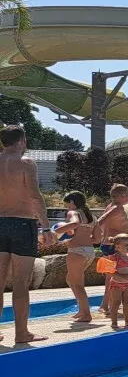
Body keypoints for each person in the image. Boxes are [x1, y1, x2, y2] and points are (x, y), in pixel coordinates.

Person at [0, 125, 53, 344]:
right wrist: (46, 227)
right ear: (22, 140)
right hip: (23, 224)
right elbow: (34, 196)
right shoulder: (26, 163)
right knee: (21, 283)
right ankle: (21, 333)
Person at [93, 184, 128, 311]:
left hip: (113, 245)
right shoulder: (117, 208)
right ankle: (106, 304)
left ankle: (110, 302)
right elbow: (101, 220)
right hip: (115, 246)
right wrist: (94, 234)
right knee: (113, 276)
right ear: (123, 196)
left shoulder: (111, 206)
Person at [52, 191, 96, 323]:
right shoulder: (92, 217)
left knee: (77, 284)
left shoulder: (73, 213)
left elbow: (75, 223)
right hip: (89, 251)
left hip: (77, 251)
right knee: (70, 280)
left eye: (66, 205)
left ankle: (86, 314)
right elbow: (97, 238)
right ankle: (82, 310)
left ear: (72, 203)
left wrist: (55, 232)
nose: (67, 209)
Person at [102, 233, 128, 330]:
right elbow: (110, 272)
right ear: (117, 246)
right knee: (116, 303)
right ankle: (114, 323)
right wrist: (120, 276)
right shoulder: (114, 257)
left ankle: (127, 321)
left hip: (127, 284)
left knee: (126, 303)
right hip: (116, 284)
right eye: (126, 245)